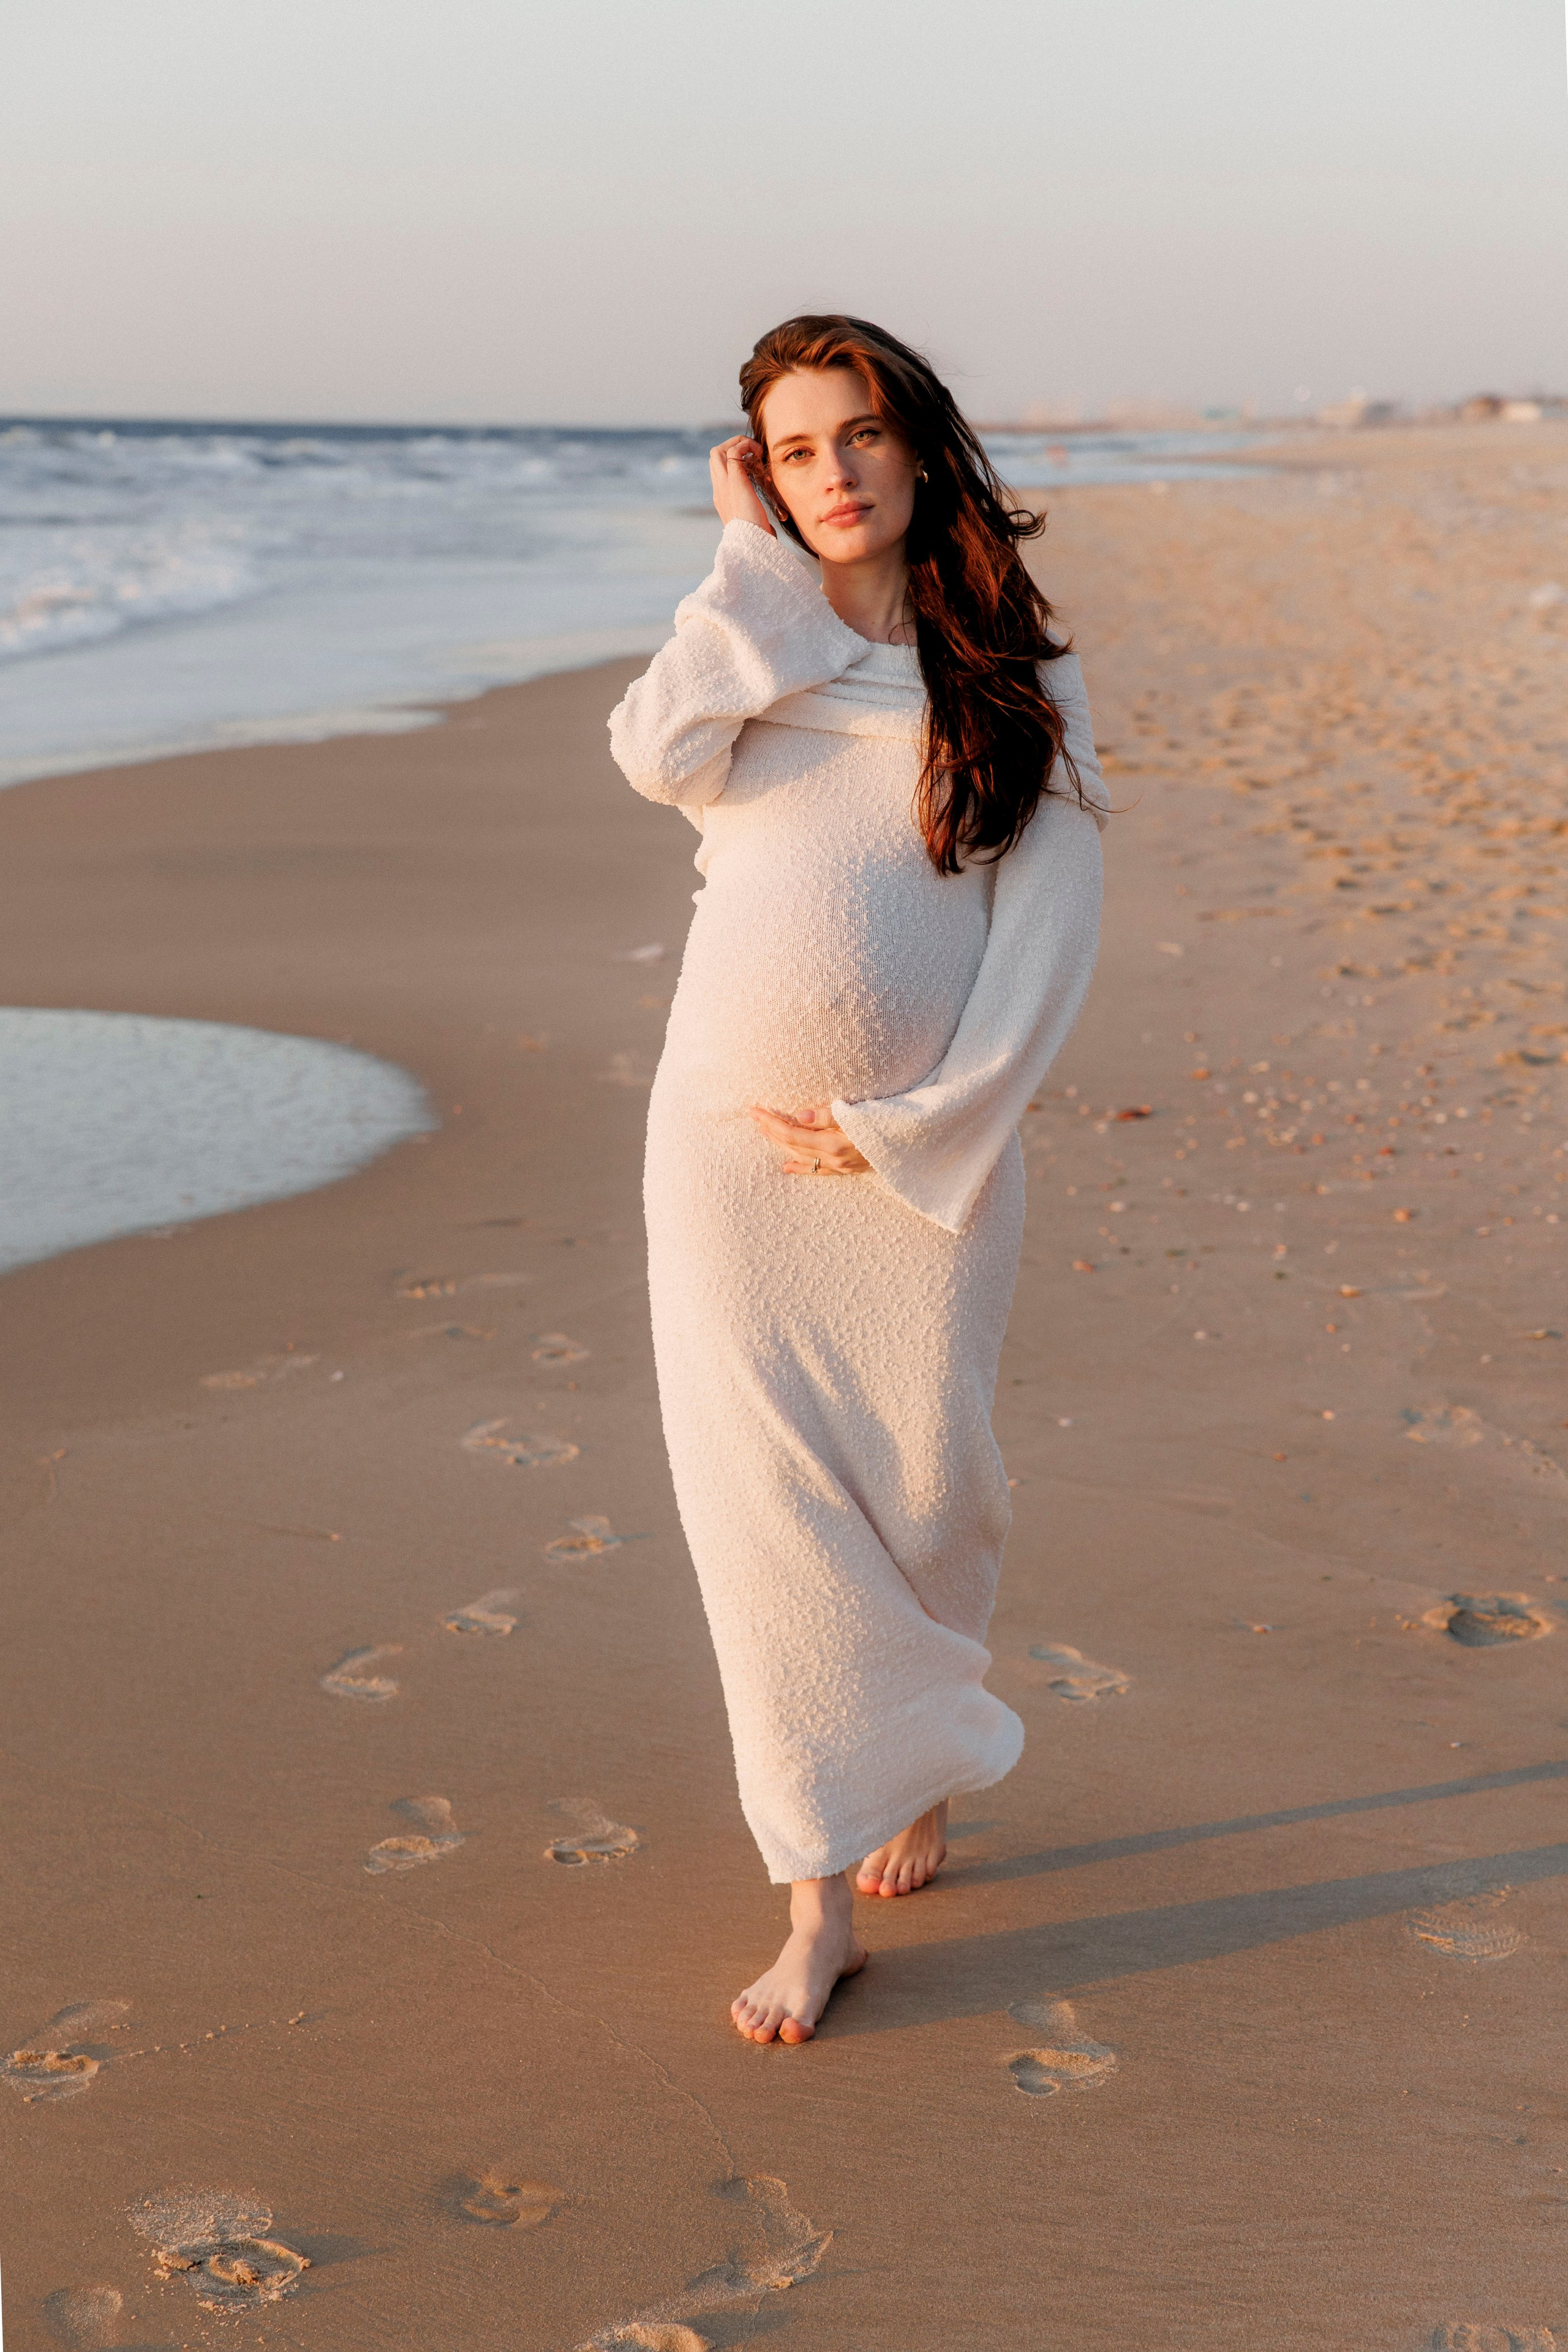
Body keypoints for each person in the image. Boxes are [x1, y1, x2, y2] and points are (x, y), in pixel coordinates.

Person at [609, 315, 1107, 2046]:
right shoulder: (754, 654)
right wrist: (746, 568)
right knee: (766, 1521)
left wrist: (919, 1124)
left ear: (922, 447)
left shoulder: (1018, 686)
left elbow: (1048, 950)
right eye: (795, 449)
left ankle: (919, 1756)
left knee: (929, 1489)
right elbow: (651, 752)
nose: (834, 472)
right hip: (729, 1158)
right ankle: (812, 1898)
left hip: (925, 1161)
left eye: (859, 435)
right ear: (764, 474)